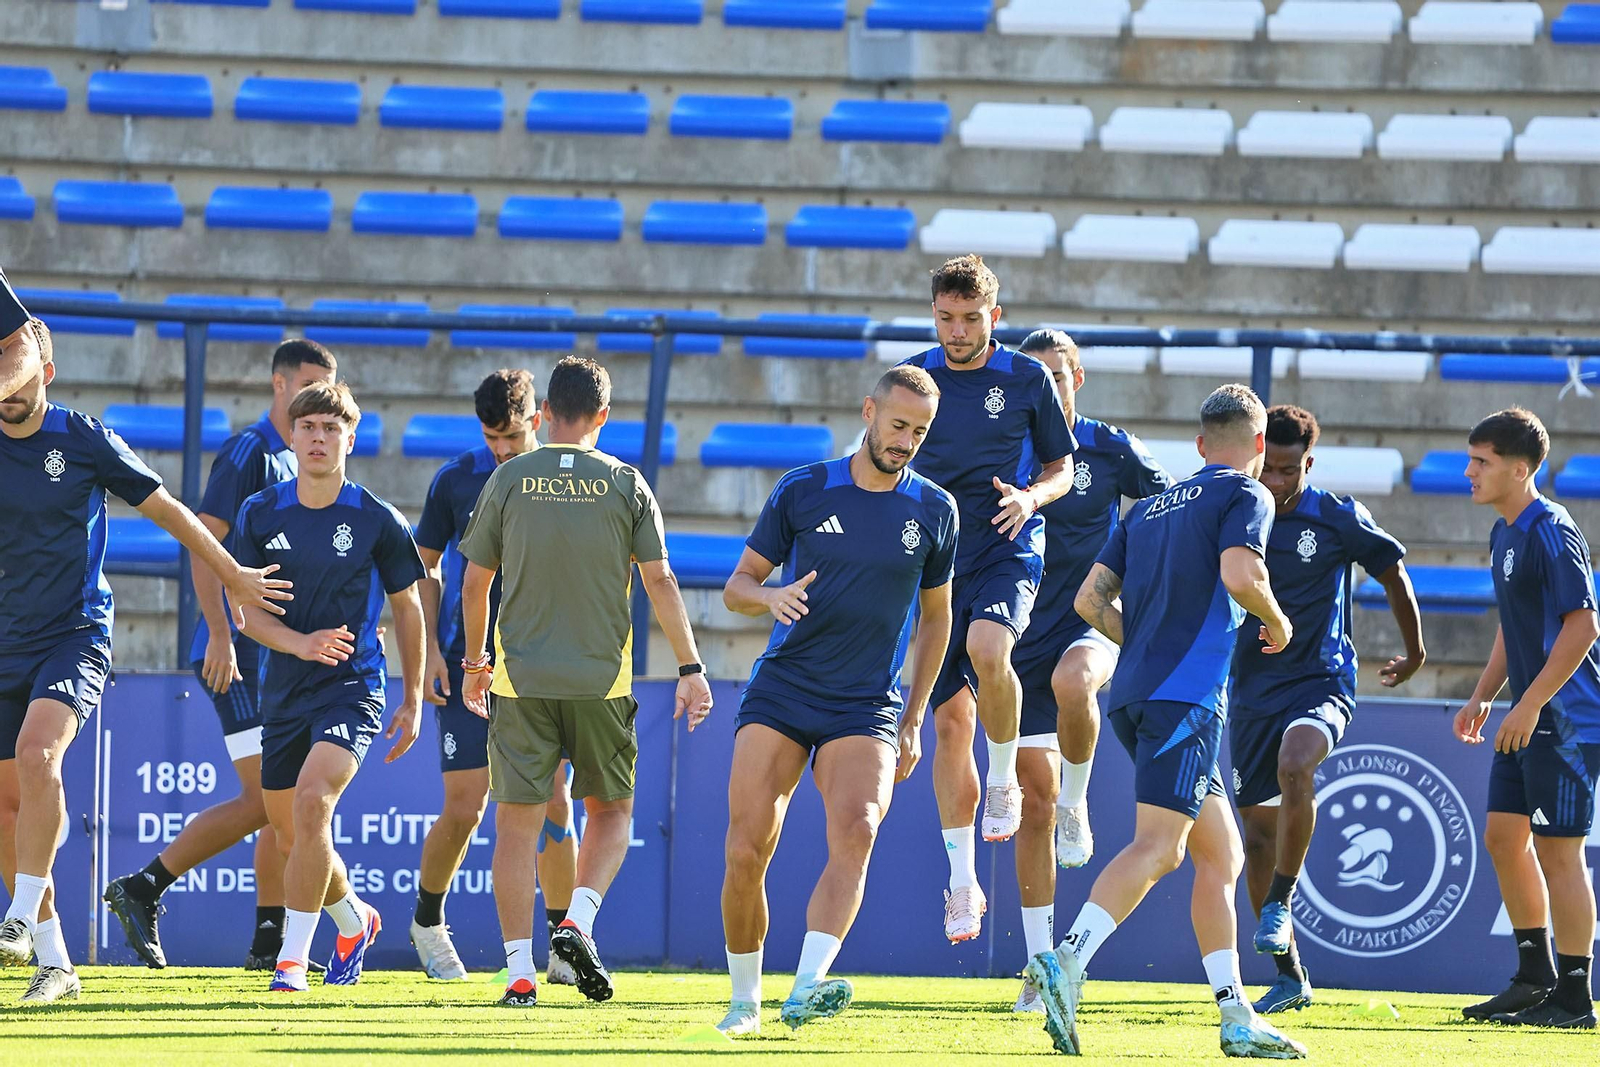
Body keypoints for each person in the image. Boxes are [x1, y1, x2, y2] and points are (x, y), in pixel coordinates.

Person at [0, 316, 292, 1003]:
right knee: (7, 802)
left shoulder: (82, 438)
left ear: (45, 372)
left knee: (40, 755)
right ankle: (55, 961)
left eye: (15, 365)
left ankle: (16, 916)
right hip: (4, 638)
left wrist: (235, 574)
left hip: (73, 634)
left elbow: (173, 512)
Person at [1026, 384, 1307, 1059]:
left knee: (1223, 854)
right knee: (1160, 846)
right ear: (1258, 446)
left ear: (1201, 444)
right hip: (1188, 697)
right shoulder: (1248, 494)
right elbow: (1240, 574)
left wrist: (1142, 638)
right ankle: (1067, 960)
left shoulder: (1148, 507)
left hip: (1132, 693)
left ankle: (1236, 1013)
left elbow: (1090, 600)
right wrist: (1277, 619)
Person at [457, 356, 713, 1008]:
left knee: (516, 827)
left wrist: (474, 664)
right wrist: (690, 667)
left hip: (520, 683)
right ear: (603, 415)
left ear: (542, 416)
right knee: (612, 811)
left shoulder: (510, 476)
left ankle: (519, 974)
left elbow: (474, 580)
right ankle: (576, 920)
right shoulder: (627, 482)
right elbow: (660, 580)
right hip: (601, 683)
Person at [716, 366, 958, 1036]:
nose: (907, 439)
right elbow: (739, 585)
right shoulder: (804, 487)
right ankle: (744, 1003)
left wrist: (914, 717)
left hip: (867, 703)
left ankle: (805, 986)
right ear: (869, 411)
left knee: (858, 828)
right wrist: (769, 597)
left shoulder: (936, 509)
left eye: (920, 430)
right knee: (744, 850)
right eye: (898, 424)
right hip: (785, 689)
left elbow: (937, 620)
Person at [105, 339, 339, 971]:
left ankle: (268, 939)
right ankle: (144, 886)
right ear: (279, 386)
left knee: (277, 798)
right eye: (307, 387)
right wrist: (219, 631)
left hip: (272, 658)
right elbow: (205, 546)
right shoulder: (249, 453)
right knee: (271, 800)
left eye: (328, 391)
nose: (315, 401)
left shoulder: (295, 462)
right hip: (233, 653)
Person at [227, 382, 428, 994]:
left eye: (329, 428)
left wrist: (414, 696)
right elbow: (245, 610)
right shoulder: (260, 512)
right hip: (283, 690)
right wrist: (299, 643)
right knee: (293, 834)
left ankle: (292, 962)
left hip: (352, 688)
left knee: (314, 803)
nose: (318, 438)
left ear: (350, 437)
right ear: (291, 436)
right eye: (307, 427)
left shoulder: (375, 518)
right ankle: (353, 918)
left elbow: (410, 607)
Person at [899, 256, 1077, 943]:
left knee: (988, 646)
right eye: (945, 318)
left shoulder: (1026, 377)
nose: (957, 331)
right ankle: (962, 881)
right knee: (948, 728)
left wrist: (1031, 496)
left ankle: (1002, 777)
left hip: (1007, 544)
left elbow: (1062, 467)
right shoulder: (917, 379)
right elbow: (887, 458)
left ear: (994, 317)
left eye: (971, 319)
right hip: (939, 560)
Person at [1229, 404, 1425, 1015]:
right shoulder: (1238, 510)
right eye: (1270, 470)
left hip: (1322, 679)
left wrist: (1415, 650)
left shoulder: (1337, 516)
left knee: (1296, 765)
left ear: (1307, 463)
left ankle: (1283, 901)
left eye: (1289, 471)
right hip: (1251, 691)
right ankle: (1289, 975)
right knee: (1256, 840)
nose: (1277, 484)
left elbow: (1392, 571)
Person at [1005, 329, 1172, 1014]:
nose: (1049, 387)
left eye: (1058, 374)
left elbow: (1169, 510)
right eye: (1034, 377)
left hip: (1089, 620)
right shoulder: (1005, 450)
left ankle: (1082, 801)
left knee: (1077, 684)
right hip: (1015, 632)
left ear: (1079, 377)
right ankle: (1038, 973)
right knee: (1030, 811)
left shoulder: (1110, 447)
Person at [408, 369, 581, 985]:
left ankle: (564, 944)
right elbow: (421, 567)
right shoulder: (457, 479)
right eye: (491, 437)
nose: (502, 449)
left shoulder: (568, 479)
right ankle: (427, 922)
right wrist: (429, 647)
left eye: (511, 435)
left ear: (538, 420)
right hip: (466, 665)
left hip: (544, 668)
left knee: (556, 801)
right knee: (466, 807)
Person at [1456, 408, 1598, 1029]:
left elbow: (1583, 624)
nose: (1469, 472)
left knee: (1558, 852)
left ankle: (1574, 993)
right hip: (1526, 714)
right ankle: (1532, 974)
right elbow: (1515, 631)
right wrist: (1485, 694)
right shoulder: (1504, 533)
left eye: (1481, 462)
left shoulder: (1550, 530)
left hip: (1566, 719)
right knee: (1502, 838)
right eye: (1469, 459)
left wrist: (1533, 702)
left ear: (1520, 469)